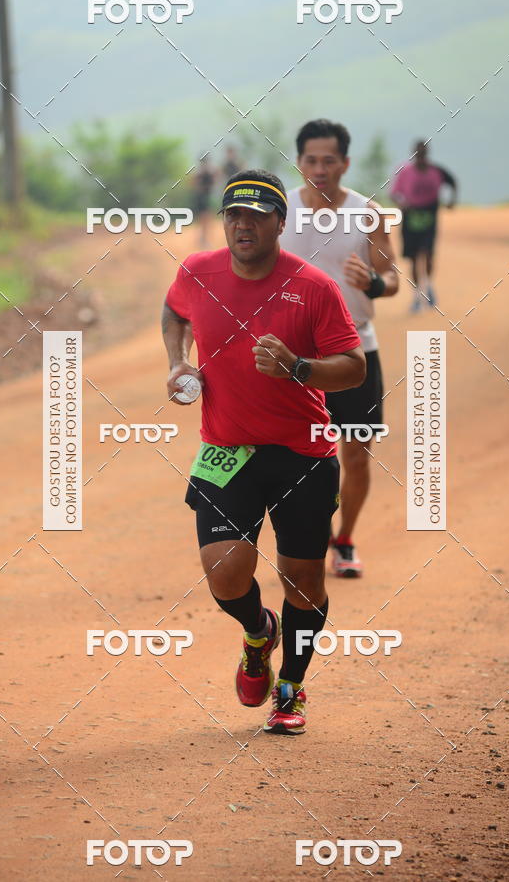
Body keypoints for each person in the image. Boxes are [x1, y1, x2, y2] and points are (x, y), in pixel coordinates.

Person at [161, 169, 365, 734]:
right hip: (228, 450)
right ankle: (258, 632)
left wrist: (299, 368)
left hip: (303, 454)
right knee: (224, 574)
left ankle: (292, 687)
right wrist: (178, 361)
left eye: (255, 215)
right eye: (233, 214)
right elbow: (174, 310)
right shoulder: (196, 272)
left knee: (304, 580)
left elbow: (354, 367)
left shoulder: (314, 287)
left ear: (281, 222)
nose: (242, 225)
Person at [280, 119, 399, 579]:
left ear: (345, 163)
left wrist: (372, 282)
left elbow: (391, 279)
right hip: (295, 358)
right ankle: (303, 541)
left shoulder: (367, 213)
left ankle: (344, 538)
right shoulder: (280, 210)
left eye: (330, 160)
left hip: (355, 351)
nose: (320, 168)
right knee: (292, 454)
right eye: (311, 159)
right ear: (299, 161)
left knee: (355, 455)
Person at [390, 140, 457, 311]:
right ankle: (416, 296)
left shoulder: (437, 172)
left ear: (427, 154)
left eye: (423, 154)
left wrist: (452, 201)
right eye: (417, 154)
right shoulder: (405, 172)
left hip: (429, 218)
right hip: (410, 218)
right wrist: (402, 204)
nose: (420, 158)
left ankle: (428, 287)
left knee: (427, 254)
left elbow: (453, 182)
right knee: (413, 259)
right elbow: (394, 194)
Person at [192, 155, 217, 249]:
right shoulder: (201, 173)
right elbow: (193, 183)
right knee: (203, 218)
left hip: (205, 197)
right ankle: (203, 239)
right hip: (202, 198)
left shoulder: (206, 173)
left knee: (206, 218)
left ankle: (203, 238)